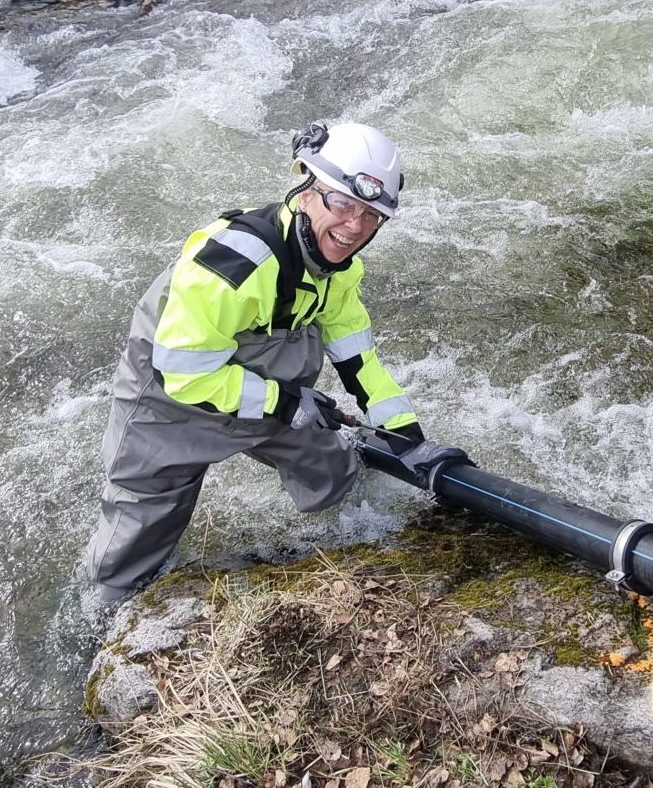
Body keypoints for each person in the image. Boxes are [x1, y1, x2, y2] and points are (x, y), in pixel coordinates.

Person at [84, 122, 450, 602]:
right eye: (341, 202)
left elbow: (358, 357)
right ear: (304, 188)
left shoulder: (339, 269)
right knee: (135, 539)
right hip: (168, 395)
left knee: (336, 474)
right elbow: (184, 371)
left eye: (371, 215)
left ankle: (350, 547)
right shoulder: (236, 263)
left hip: (272, 391)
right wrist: (283, 403)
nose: (355, 227)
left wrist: (406, 436)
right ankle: (102, 624)